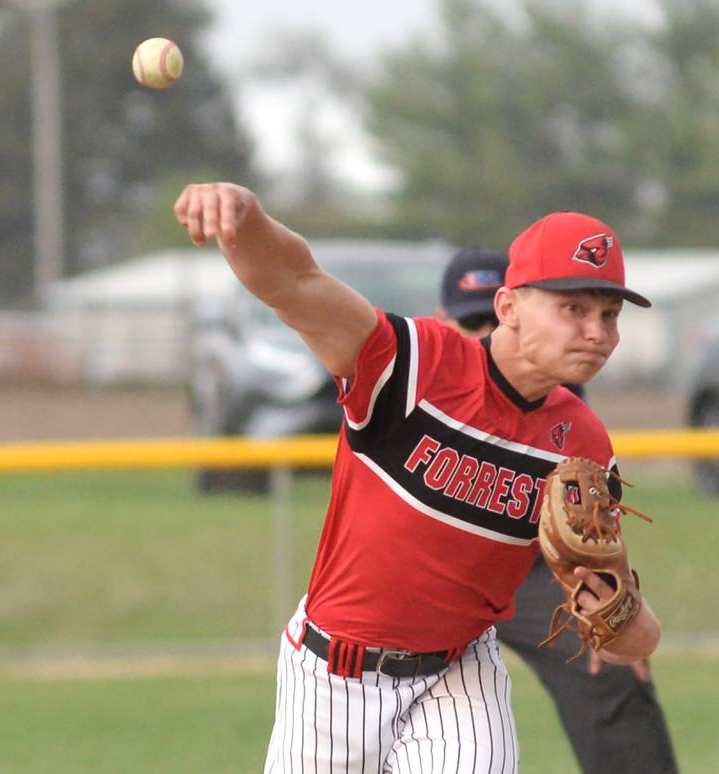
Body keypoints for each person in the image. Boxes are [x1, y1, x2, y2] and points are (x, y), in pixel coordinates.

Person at [174, 183, 662, 773]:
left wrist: (616, 611)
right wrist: (244, 216)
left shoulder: (583, 448)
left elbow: (633, 640)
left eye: (609, 315)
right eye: (574, 309)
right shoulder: (411, 365)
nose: (598, 333)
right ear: (507, 307)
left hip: (459, 676)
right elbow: (295, 283)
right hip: (333, 676)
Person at [436, 246, 679, 774]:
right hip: (434, 573)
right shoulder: (423, 383)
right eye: (468, 319)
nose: (480, 333)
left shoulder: (557, 392)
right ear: (444, 321)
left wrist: (610, 604)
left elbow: (589, 522)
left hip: (532, 573)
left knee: (611, 668)